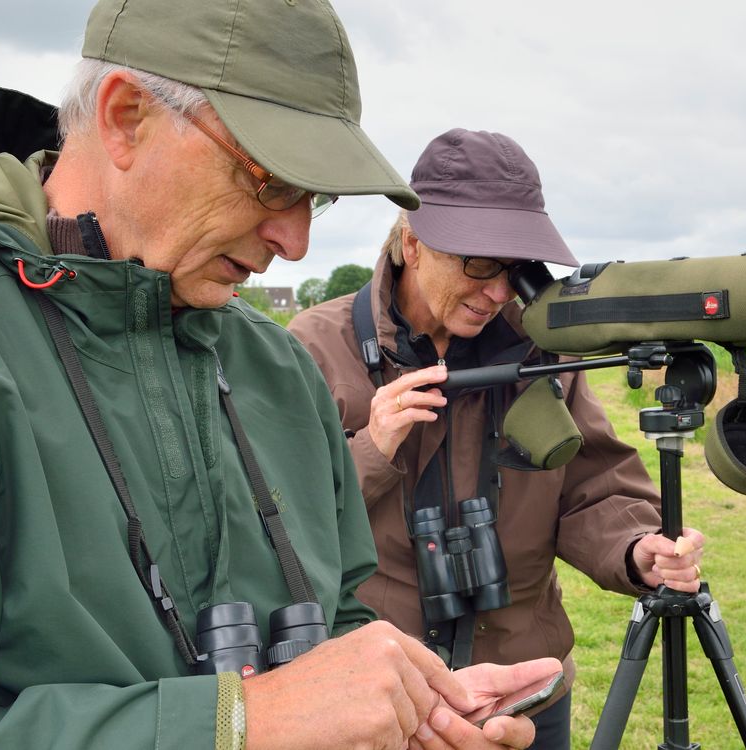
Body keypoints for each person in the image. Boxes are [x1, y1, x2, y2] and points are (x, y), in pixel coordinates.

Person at [0, 2, 558, 748]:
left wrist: (406, 714)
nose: (294, 241)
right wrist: (241, 723)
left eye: (317, 198)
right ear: (125, 117)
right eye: (272, 182)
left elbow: (337, 619)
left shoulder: (278, 368)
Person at [288, 129, 707, 748]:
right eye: (479, 264)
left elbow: (594, 485)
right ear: (412, 242)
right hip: (383, 699)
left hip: (524, 688)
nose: (498, 292)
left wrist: (637, 547)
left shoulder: (542, 356)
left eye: (515, 268)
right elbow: (280, 523)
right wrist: (373, 447)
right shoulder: (314, 350)